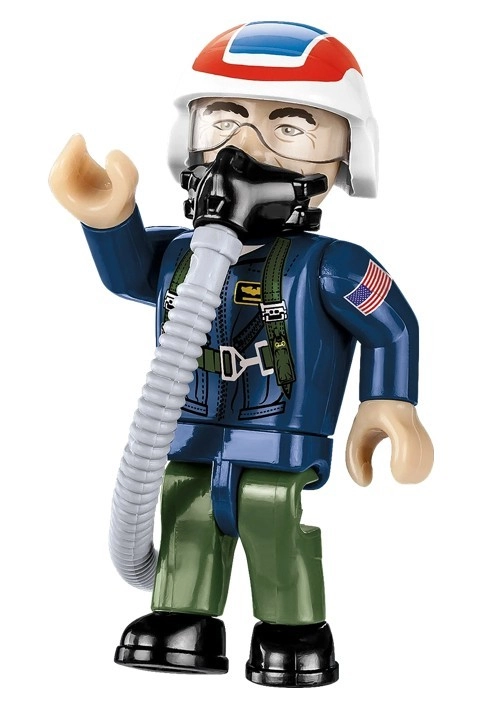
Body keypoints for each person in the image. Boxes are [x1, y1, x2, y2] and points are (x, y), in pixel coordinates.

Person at [49, 20, 433, 688]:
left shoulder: (333, 266)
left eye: (289, 127)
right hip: (188, 431)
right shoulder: (181, 254)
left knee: (269, 516)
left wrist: (389, 403)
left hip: (277, 436)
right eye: (224, 119)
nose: (244, 147)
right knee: (186, 509)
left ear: (347, 155)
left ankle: (293, 630)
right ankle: (182, 618)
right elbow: (128, 274)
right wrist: (107, 218)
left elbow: (392, 327)